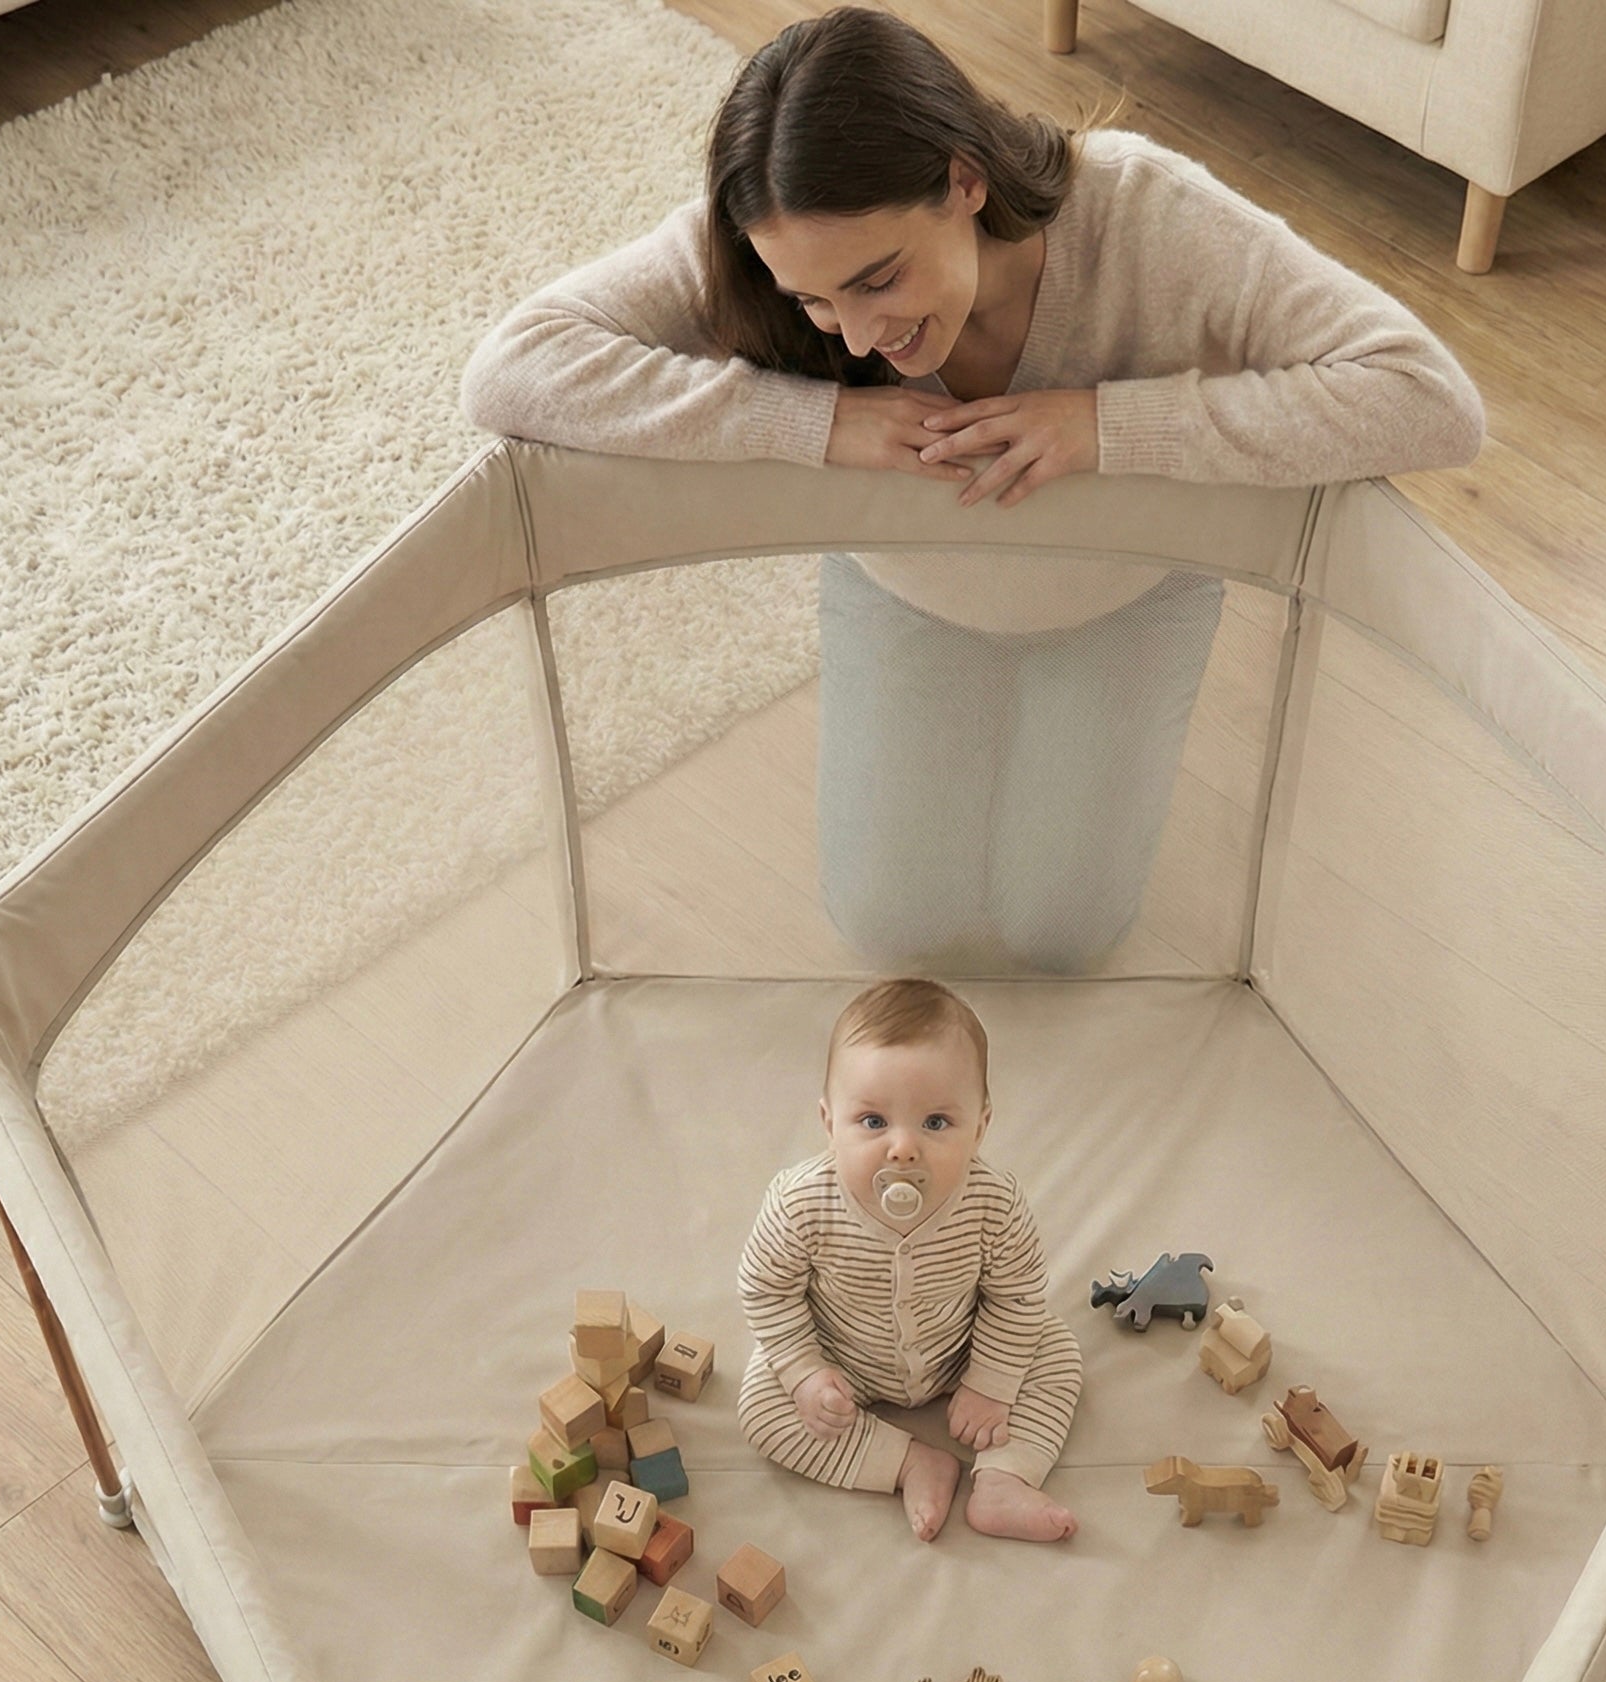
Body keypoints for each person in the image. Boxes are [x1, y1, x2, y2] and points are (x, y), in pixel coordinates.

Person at [461, 8, 1483, 967]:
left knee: (1062, 932)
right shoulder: (779, 229)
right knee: (890, 924)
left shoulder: (1141, 213)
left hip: (1119, 599)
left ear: (963, 180)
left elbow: (1427, 400)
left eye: (876, 281)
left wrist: (1109, 425)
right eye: (812, 302)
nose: (860, 338)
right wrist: (811, 420)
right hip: (912, 594)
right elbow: (510, 370)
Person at [736, 978, 1081, 1544]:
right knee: (760, 1405)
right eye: (873, 1122)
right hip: (843, 1358)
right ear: (829, 1123)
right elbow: (767, 1292)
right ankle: (907, 1463)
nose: (903, 1148)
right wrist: (804, 1374)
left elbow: (1016, 1296)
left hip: (961, 1351)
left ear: (980, 1128)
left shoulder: (993, 1202)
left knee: (1058, 1352)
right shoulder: (800, 1204)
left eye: (936, 1123)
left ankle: (1005, 1477)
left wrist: (992, 1382)